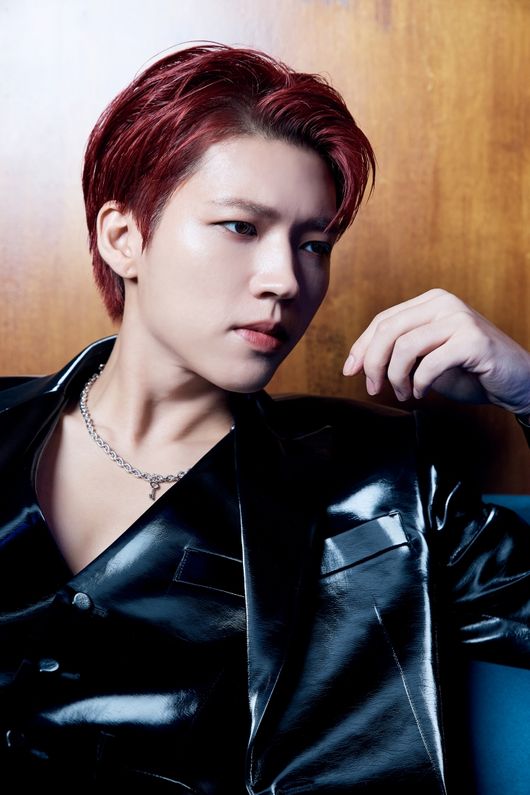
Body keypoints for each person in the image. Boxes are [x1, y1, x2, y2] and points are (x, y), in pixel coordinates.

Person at [0, 42, 528, 794]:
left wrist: (528, 392)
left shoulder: (378, 479)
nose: (286, 279)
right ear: (123, 238)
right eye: (241, 228)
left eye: (314, 244)